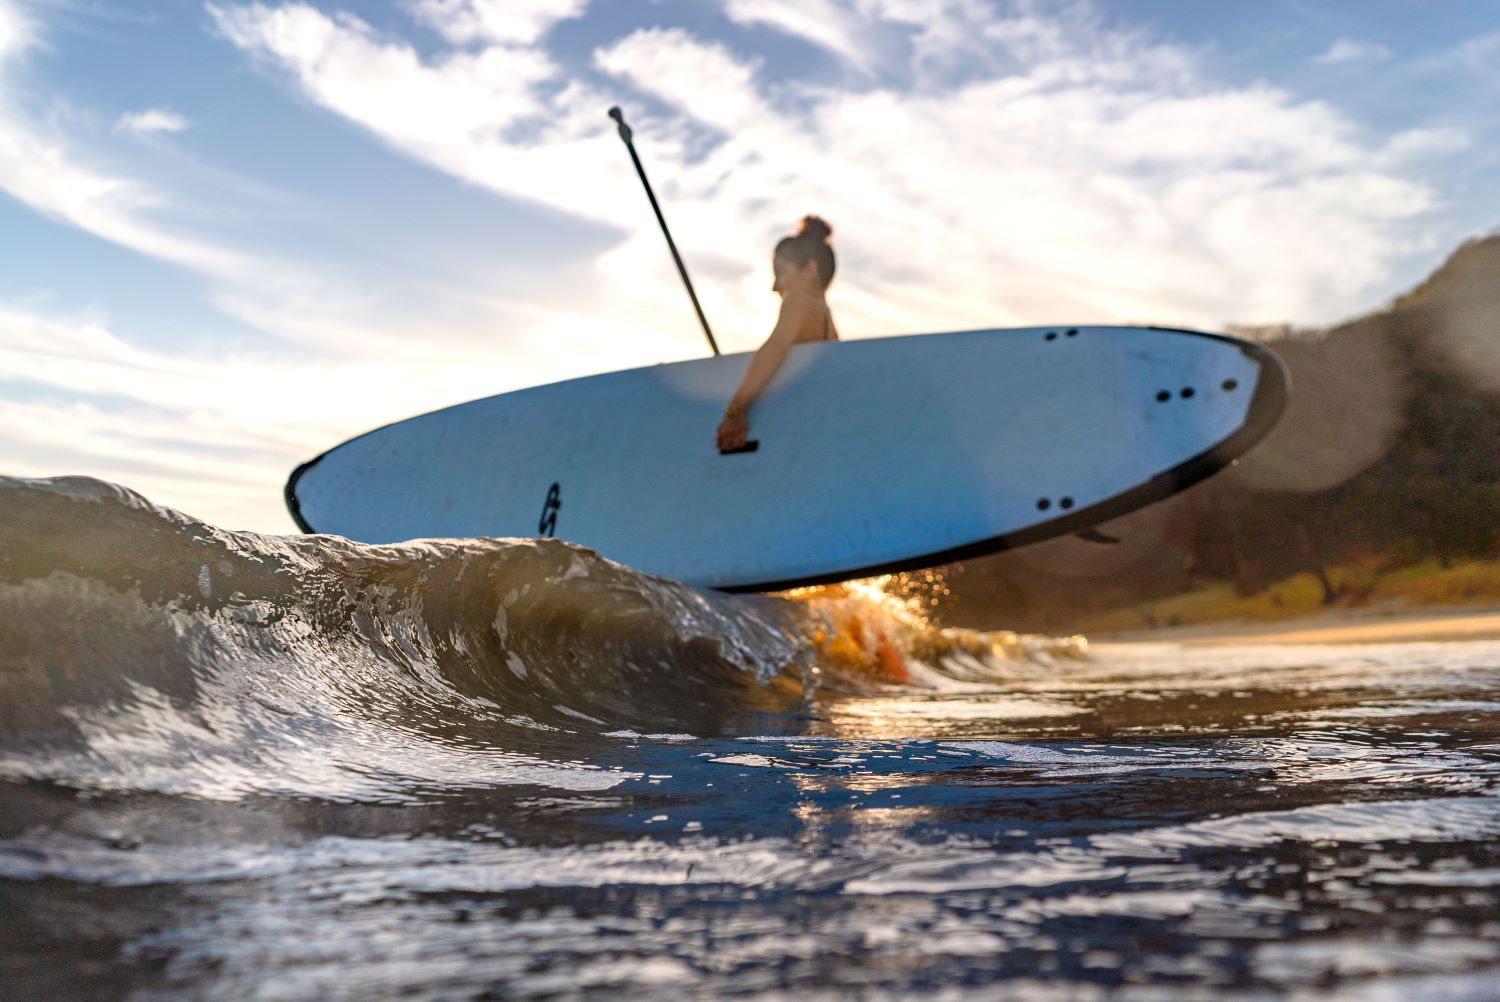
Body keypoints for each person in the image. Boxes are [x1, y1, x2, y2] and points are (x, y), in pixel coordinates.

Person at [716, 216, 838, 451]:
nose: (775, 286)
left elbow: (776, 347)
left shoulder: (798, 300)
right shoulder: (827, 320)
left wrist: (735, 410)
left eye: (780, 272)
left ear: (809, 270)